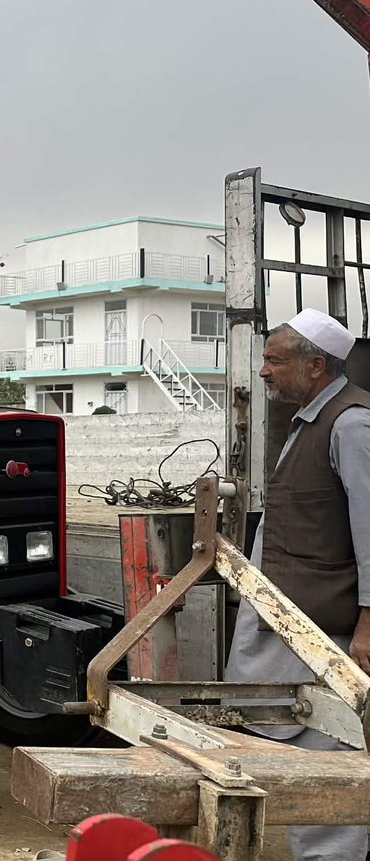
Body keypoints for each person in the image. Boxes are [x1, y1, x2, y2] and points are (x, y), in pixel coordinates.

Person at [224, 308, 370, 860]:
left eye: (274, 360)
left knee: (327, 770)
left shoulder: (352, 425)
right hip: (291, 630)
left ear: (315, 365)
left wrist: (367, 628)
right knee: (284, 756)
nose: (263, 371)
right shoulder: (310, 420)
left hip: (326, 639)